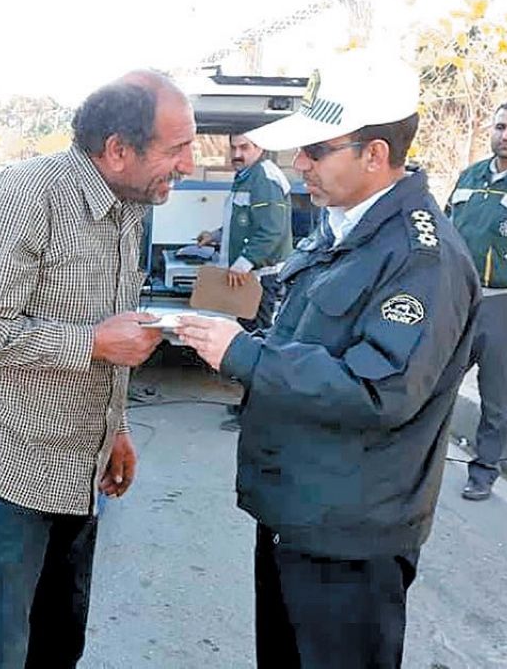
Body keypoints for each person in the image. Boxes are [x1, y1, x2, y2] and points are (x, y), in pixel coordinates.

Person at [173, 50, 480, 668]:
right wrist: (230, 320)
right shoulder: (341, 225)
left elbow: (379, 390)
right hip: (301, 511)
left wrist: (246, 358)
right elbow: (301, 323)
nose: (301, 164)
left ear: (375, 154)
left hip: (350, 533)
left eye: (318, 149)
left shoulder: (422, 259)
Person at [0, 70, 196, 668]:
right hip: (6, 463)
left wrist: (117, 426)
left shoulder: (128, 204)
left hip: (80, 465)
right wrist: (92, 344)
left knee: (60, 636)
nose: (191, 163)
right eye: (176, 148)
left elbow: (114, 323)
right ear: (118, 149)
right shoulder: (22, 200)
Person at [445, 100, 507, 501]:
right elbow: (444, 237)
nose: (506, 135)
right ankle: (423, 457)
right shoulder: (469, 176)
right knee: (435, 381)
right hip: (456, 300)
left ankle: (484, 470)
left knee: (497, 392)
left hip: (504, 305)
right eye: (501, 126)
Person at [196, 133, 293, 332]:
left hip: (259, 277)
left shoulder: (264, 178)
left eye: (244, 148)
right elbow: (245, 223)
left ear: (260, 148)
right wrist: (215, 236)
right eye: (233, 148)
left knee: (255, 334)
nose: (237, 154)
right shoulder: (246, 175)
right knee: (244, 330)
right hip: (247, 275)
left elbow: (271, 230)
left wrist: (243, 263)